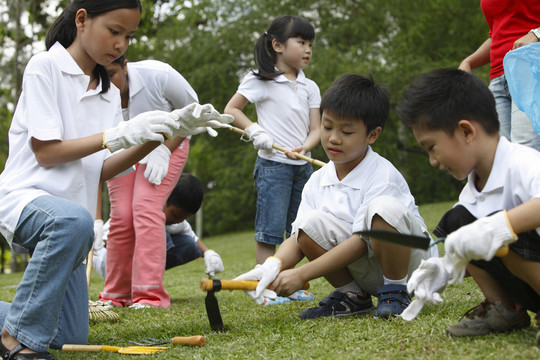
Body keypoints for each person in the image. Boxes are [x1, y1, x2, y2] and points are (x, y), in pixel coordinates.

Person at [0, 1, 232, 358]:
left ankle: (15, 324)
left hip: (70, 223)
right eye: (114, 31)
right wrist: (117, 134)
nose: (122, 44)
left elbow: (103, 168)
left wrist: (163, 136)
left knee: (66, 335)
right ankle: (14, 341)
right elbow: (47, 152)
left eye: (129, 36)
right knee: (70, 225)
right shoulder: (44, 66)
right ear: (81, 20)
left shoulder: (108, 89)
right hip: (27, 200)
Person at [235, 74, 436, 319]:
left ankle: (396, 291)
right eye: (327, 127)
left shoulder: (382, 174)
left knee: (384, 209)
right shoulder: (318, 181)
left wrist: (302, 274)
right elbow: (299, 237)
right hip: (370, 271)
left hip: (412, 270)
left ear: (372, 135)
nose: (333, 138)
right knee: (307, 225)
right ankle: (352, 297)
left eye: (347, 131)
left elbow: (362, 241)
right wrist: (271, 266)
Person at [397, 68, 540, 344]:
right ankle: (504, 309)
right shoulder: (473, 190)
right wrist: (444, 268)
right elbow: (463, 239)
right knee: (458, 223)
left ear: (466, 131)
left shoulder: (523, 163)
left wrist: (497, 226)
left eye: (431, 147)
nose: (433, 161)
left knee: (492, 226)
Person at [97, 53, 202, 309]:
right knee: (121, 215)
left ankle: (150, 296)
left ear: (124, 65)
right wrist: (97, 219)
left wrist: (166, 148)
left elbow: (194, 112)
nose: (106, 85)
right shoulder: (94, 91)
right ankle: (116, 295)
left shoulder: (159, 75)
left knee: (145, 207)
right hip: (123, 148)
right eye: (99, 78)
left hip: (168, 144)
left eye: (111, 75)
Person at [224, 15, 321, 271]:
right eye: (301, 42)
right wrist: (255, 131)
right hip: (272, 167)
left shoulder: (310, 86)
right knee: (270, 229)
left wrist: (306, 147)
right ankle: (265, 286)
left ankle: (285, 282)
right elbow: (232, 110)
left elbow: (316, 128)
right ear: (278, 45)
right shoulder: (259, 80)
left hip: (303, 167)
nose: (308, 49)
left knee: (298, 229)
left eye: (311, 43)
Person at [93, 173, 223, 281]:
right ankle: (138, 284)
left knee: (188, 244)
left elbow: (192, 238)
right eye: (175, 215)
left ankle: (144, 280)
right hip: (109, 261)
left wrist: (208, 253)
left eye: (183, 218)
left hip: (139, 263)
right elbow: (105, 241)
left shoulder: (175, 221)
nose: (177, 221)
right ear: (163, 199)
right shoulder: (140, 211)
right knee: (158, 231)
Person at [458, 0, 540, 150]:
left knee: (525, 152)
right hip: (498, 79)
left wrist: (537, 33)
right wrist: (470, 61)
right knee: (497, 155)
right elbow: (497, 35)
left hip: (530, 68)